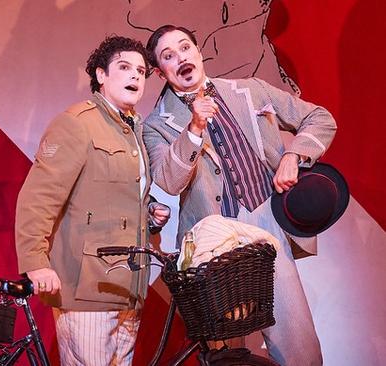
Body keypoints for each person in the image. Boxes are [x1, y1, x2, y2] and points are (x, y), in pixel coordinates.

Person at [143, 25, 337, 365]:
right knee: (227, 354)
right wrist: (193, 130)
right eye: (168, 56)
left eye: (185, 47)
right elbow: (168, 181)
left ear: (198, 51)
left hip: (266, 225)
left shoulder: (250, 90)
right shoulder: (156, 124)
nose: (181, 59)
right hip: (213, 242)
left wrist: (294, 155)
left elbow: (320, 118)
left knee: (300, 347)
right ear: (161, 72)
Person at [15, 35, 170, 366]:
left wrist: (149, 213)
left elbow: (113, 199)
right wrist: (36, 261)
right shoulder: (77, 124)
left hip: (128, 286)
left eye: (141, 71)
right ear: (101, 75)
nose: (135, 77)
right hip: (88, 286)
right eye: (124, 68)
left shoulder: (133, 132)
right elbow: (39, 196)